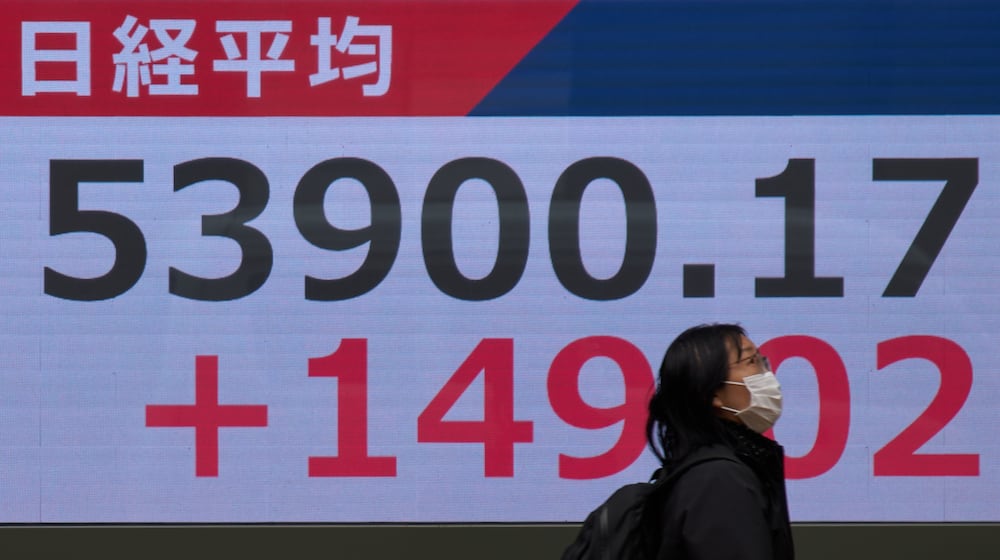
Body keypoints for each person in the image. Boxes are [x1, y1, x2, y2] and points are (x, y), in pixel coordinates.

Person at [643, 323, 794, 559]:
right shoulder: (719, 479)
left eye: (762, 361)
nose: (767, 374)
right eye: (752, 362)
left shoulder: (712, 468)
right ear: (713, 392)